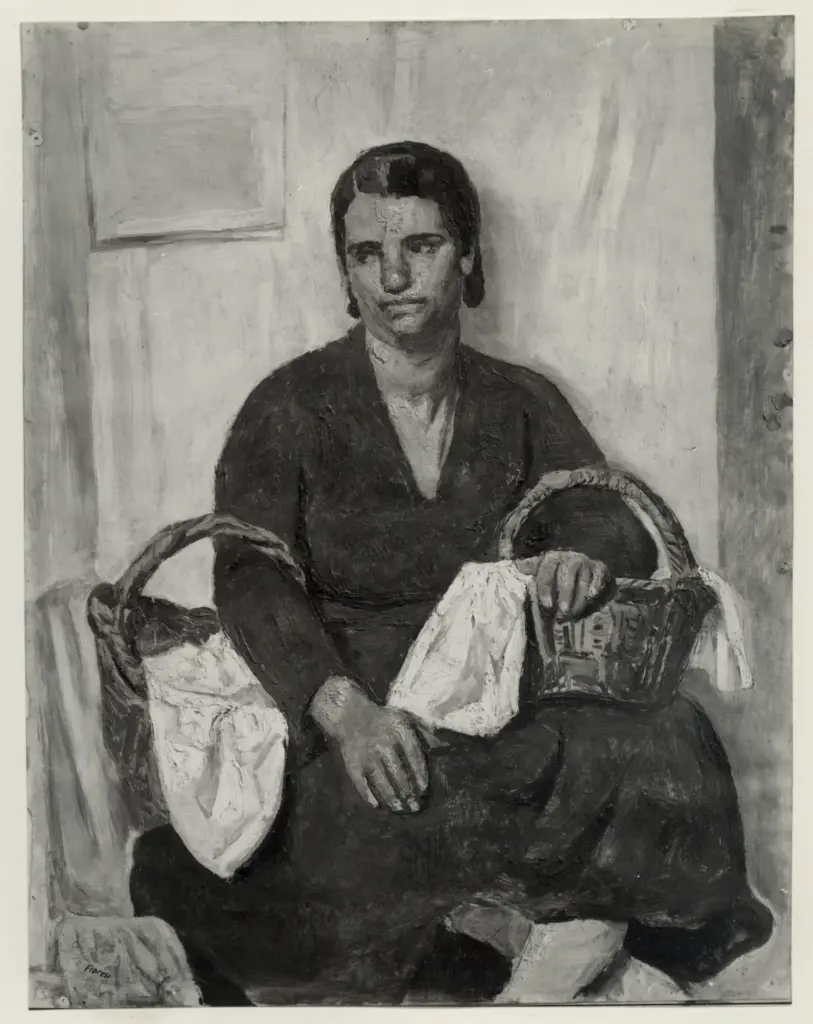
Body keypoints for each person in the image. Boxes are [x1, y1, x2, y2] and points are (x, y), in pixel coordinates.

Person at [130, 141, 772, 1005]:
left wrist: (579, 556)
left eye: (421, 246)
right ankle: (520, 939)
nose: (394, 276)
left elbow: (605, 517)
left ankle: (561, 937)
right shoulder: (286, 405)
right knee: (372, 811)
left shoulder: (521, 399)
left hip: (496, 683)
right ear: (345, 270)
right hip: (356, 687)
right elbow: (250, 577)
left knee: (667, 731)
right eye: (367, 253)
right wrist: (344, 713)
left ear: (466, 255)